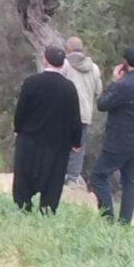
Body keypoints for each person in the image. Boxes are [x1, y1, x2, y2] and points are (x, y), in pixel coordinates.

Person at [90, 46, 134, 224]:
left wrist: (114, 81)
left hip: (118, 139)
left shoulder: (124, 85)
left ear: (125, 63)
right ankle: (125, 222)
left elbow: (103, 104)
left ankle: (108, 218)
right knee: (129, 180)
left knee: (98, 176)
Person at [12, 46, 83, 214]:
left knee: (24, 174)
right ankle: (48, 209)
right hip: (57, 143)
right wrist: (76, 140)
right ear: (62, 63)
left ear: (45, 60)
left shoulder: (32, 82)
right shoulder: (69, 87)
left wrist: (18, 128)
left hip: (30, 138)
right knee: (53, 179)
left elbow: (21, 109)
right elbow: (75, 117)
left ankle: (23, 207)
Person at [61, 36, 103, 188]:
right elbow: (98, 91)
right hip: (84, 114)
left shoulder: (64, 65)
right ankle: (73, 177)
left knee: (61, 144)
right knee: (78, 146)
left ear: (68, 49)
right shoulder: (94, 68)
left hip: (64, 113)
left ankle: (59, 174)